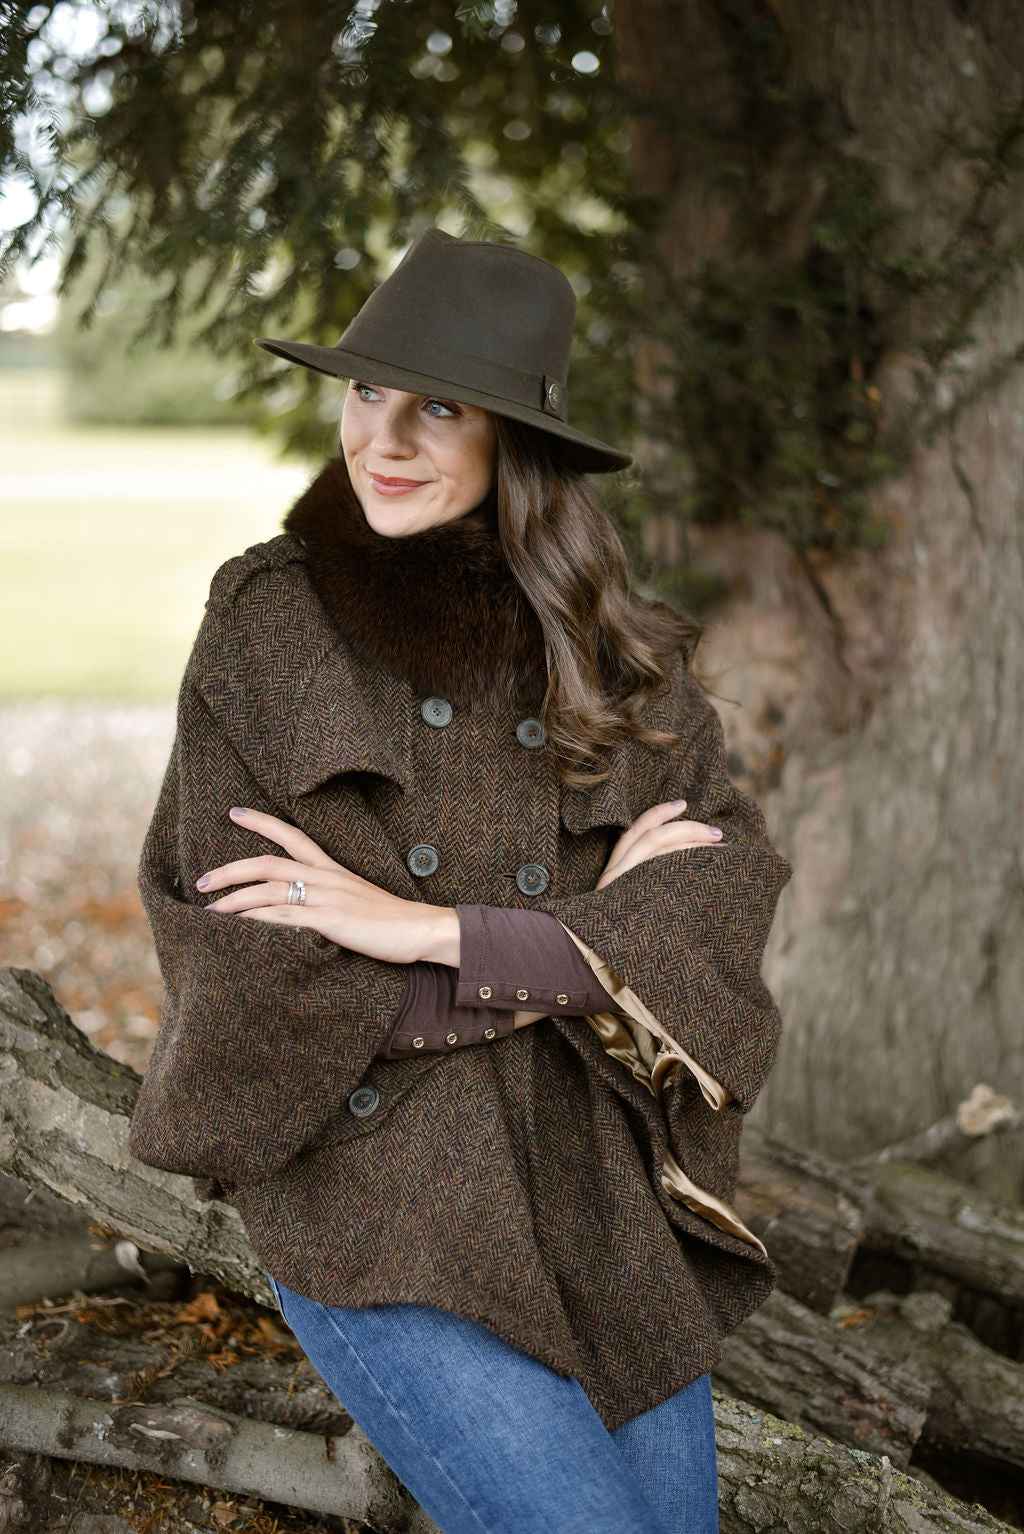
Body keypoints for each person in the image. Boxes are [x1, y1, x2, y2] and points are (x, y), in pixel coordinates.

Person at [128, 226, 792, 1534]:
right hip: (379, 1201)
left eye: (439, 405)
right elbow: (246, 962)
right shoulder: (267, 628)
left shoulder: (627, 662)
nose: (383, 436)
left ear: (516, 443)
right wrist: (577, 947)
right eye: (368, 390)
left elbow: (714, 915)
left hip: (598, 1202)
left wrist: (419, 929)